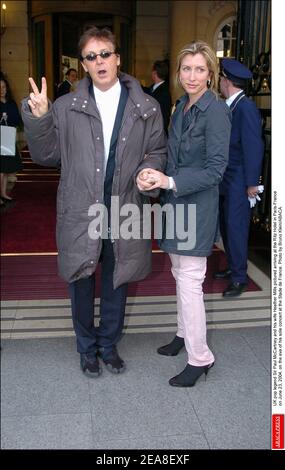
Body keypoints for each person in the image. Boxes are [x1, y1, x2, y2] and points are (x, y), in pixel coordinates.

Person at [22, 27, 166, 377]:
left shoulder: (146, 106)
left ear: (118, 59)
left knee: (118, 280)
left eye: (105, 54)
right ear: (83, 65)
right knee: (81, 279)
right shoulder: (66, 106)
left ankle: (108, 344)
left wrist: (150, 171)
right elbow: (46, 155)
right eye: (91, 56)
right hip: (80, 207)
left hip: (126, 207)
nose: (99, 61)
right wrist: (40, 118)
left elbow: (157, 151)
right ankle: (86, 348)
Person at [137, 41, 231, 387]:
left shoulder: (217, 111)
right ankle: (182, 334)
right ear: (178, 73)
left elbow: (216, 169)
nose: (192, 76)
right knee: (179, 273)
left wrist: (170, 180)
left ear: (211, 73)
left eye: (200, 69)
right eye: (186, 69)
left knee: (190, 281)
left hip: (197, 206)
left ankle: (200, 357)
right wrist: (153, 176)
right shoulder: (180, 105)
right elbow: (170, 155)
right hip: (175, 203)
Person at [214, 58, 264, 297]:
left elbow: (254, 146)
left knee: (236, 228)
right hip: (227, 178)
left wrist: (252, 183)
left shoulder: (246, 107)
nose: (219, 83)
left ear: (227, 81)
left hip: (239, 180)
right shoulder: (231, 105)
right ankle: (233, 267)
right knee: (226, 226)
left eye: (221, 79)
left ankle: (239, 277)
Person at [0, 76, 23, 204]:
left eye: (3, 87)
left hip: (8, 136)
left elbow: (17, 120)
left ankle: (3, 193)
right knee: (1, 170)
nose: (1, 90)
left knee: (6, 168)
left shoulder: (11, 103)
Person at [146, 60, 172, 134]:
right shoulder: (152, 88)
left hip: (158, 134)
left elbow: (164, 118)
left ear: (154, 73)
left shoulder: (164, 92)